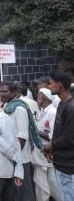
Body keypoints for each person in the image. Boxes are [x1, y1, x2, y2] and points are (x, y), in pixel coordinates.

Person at [0, 81, 42, 201]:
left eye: (5, 91)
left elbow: (22, 137)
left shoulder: (19, 109)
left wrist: (15, 157)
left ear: (13, 93)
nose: (2, 94)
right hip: (10, 157)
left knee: (24, 191)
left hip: (21, 158)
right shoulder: (5, 107)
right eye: (0, 91)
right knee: (13, 192)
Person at [45, 70, 74, 201]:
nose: (48, 86)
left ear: (59, 84)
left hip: (68, 166)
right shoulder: (62, 104)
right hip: (60, 161)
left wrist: (48, 146)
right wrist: (51, 149)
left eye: (50, 84)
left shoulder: (71, 108)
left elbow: (68, 139)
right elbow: (58, 133)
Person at [32, 88, 63, 201]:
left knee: (52, 188)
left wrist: (35, 132)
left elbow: (54, 136)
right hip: (40, 157)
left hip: (47, 156)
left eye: (38, 96)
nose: (36, 99)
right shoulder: (41, 111)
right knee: (43, 187)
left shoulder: (53, 112)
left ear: (43, 98)